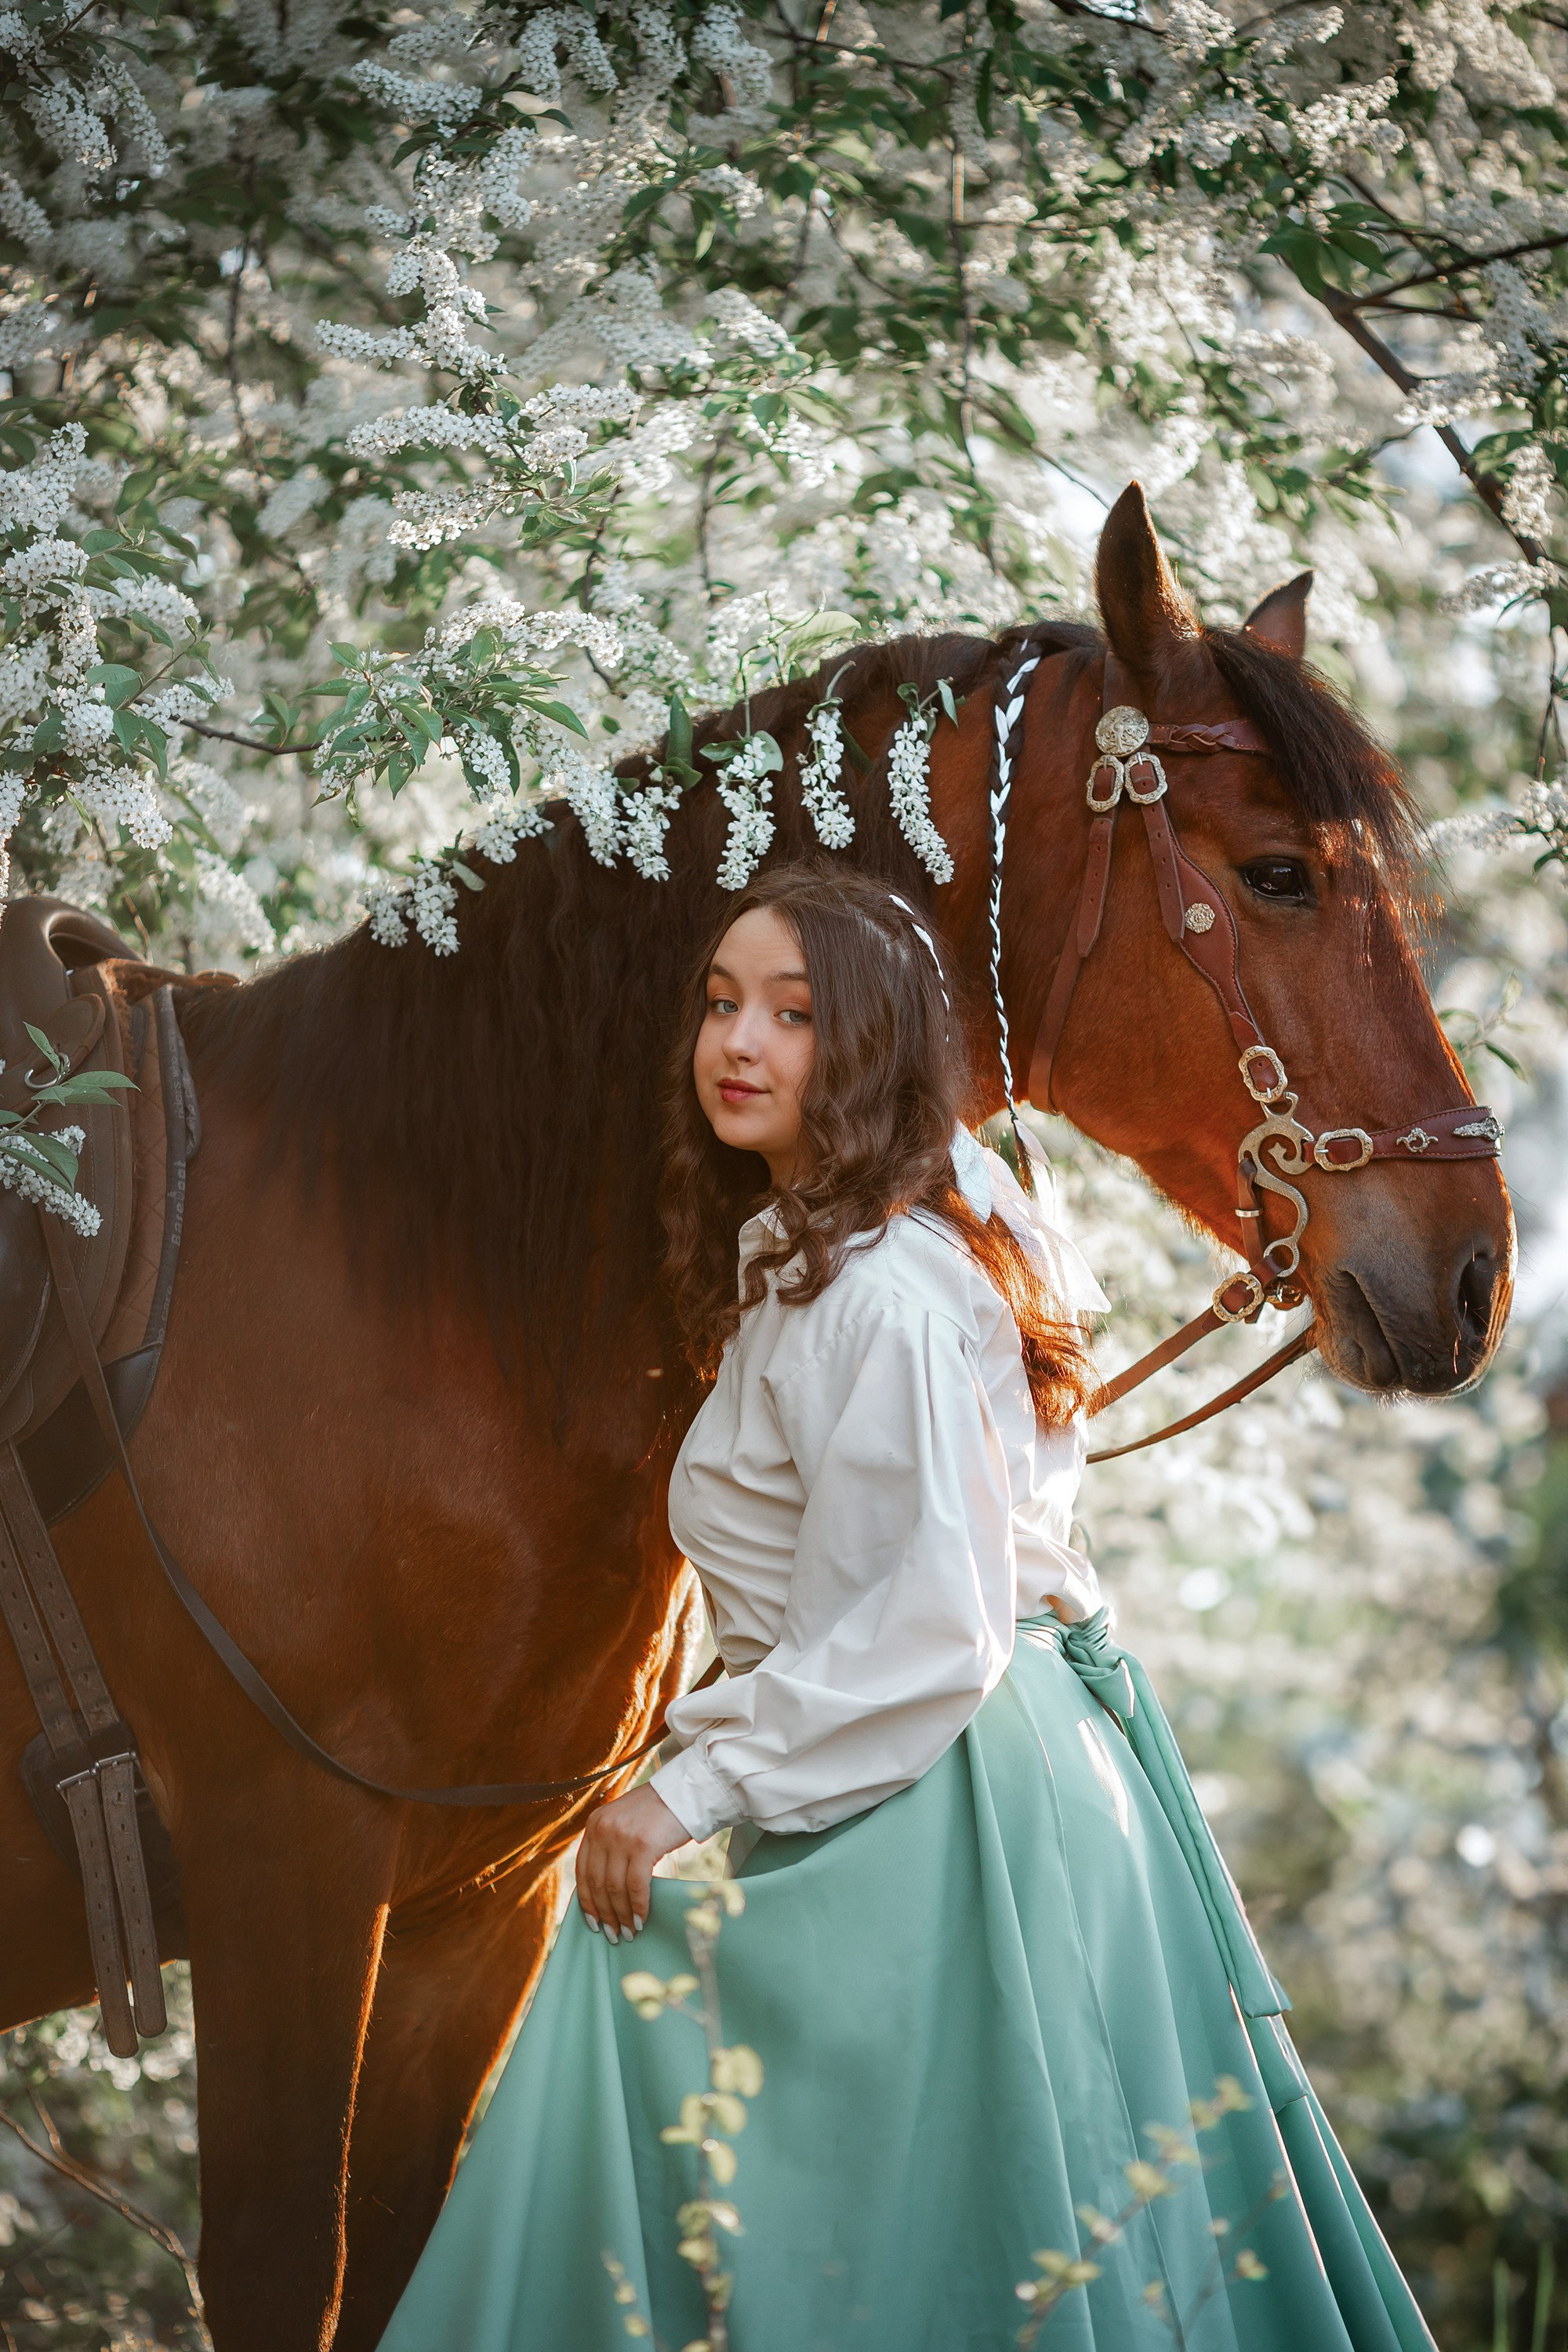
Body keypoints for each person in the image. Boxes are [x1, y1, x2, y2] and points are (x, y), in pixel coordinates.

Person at [379, 864, 1436, 2352]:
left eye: (796, 1017)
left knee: (649, 2059)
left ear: (866, 1049)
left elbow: (928, 1623)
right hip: (1007, 1766)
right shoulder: (900, 1227)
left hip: (945, 1784)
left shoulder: (869, 1291)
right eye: (722, 1003)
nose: (738, 1043)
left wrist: (681, 1794)